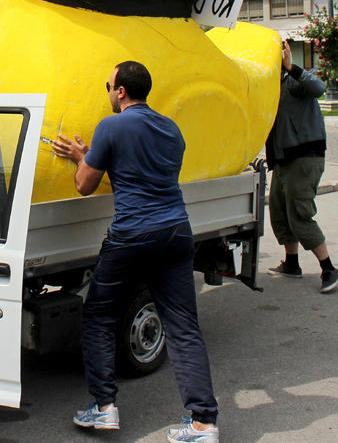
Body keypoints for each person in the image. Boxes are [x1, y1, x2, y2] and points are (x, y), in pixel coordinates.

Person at [52, 61, 220, 443]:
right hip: (177, 232)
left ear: (121, 91)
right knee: (183, 328)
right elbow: (144, 172)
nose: (108, 92)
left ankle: (104, 407)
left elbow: (84, 186)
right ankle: (203, 423)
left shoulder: (112, 126)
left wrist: (83, 157)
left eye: (108, 86)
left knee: (98, 316)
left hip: (132, 234)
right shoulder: (171, 129)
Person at [266, 40, 338, 294]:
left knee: (299, 213)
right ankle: (291, 263)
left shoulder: (294, 81)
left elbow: (318, 87)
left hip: (304, 157)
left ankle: (328, 268)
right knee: (279, 210)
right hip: (284, 159)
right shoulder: (270, 87)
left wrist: (292, 67)